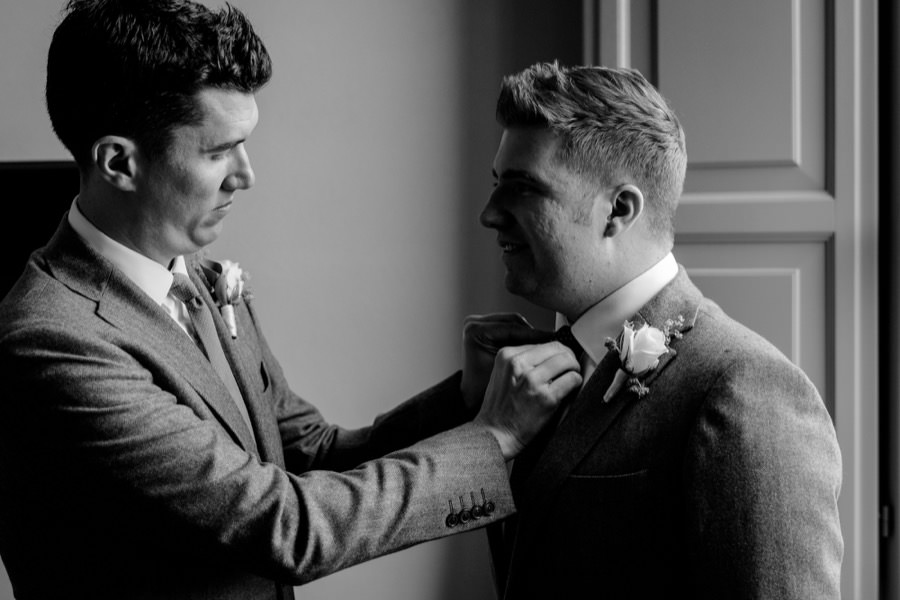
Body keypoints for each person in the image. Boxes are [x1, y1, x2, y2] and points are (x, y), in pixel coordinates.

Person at [0, 3, 584, 599]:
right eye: (217, 151)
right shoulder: (52, 341)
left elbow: (309, 454)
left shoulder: (199, 281)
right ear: (119, 162)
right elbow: (286, 524)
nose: (245, 174)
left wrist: (465, 400)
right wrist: (496, 440)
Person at [479, 61, 843, 599]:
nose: (489, 214)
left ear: (618, 210)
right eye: (496, 186)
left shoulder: (744, 390)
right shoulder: (521, 376)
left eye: (523, 189)